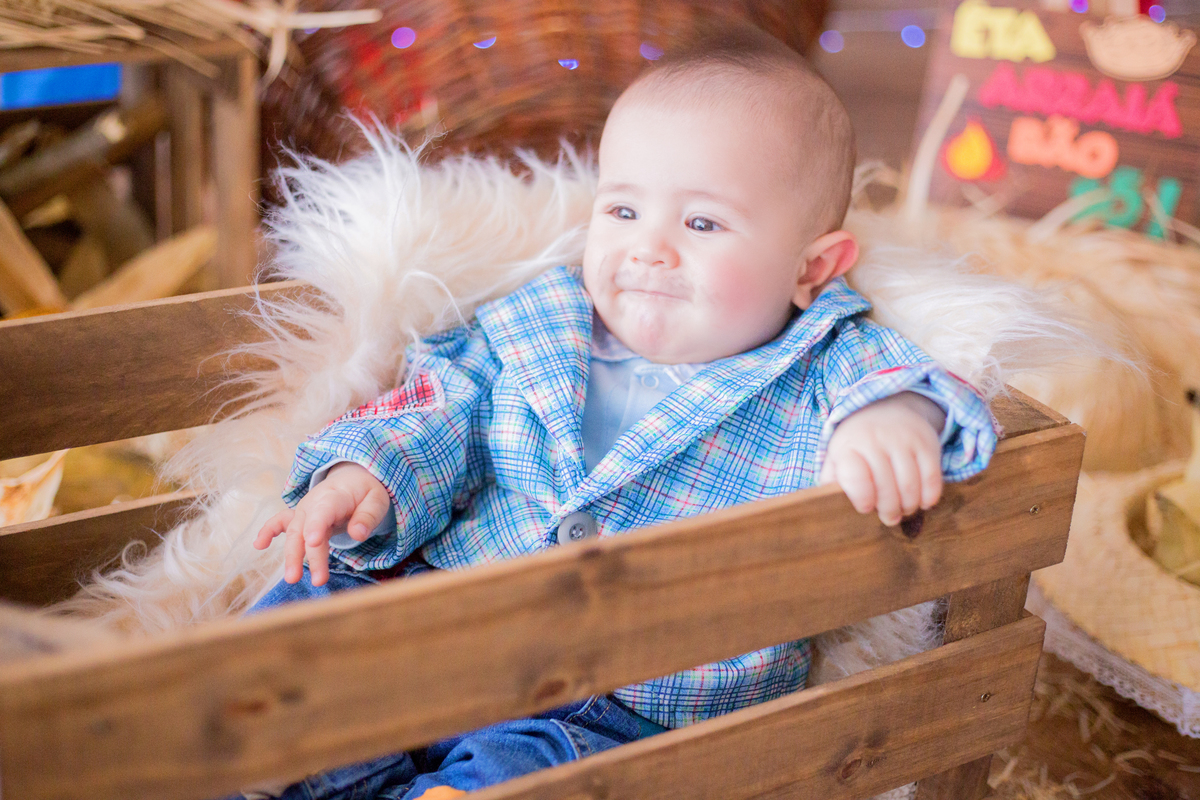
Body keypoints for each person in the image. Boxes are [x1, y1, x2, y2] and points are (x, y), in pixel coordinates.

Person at [244, 24, 997, 800]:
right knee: (302, 627)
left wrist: (891, 417)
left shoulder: (822, 360)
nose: (648, 249)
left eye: (701, 223)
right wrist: (366, 469)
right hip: (445, 616)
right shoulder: (542, 320)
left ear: (811, 268)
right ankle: (262, 767)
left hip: (620, 698)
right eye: (623, 211)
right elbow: (442, 398)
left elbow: (920, 382)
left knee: (545, 777)